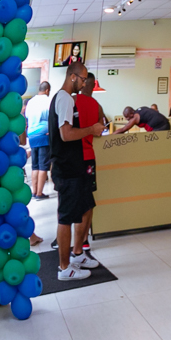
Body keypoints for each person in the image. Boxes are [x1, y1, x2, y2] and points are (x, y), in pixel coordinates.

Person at [49, 62, 105, 281]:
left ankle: (78, 254)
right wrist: (91, 129)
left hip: (77, 164)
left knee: (87, 207)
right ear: (73, 77)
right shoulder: (63, 98)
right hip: (66, 167)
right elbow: (65, 134)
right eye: (82, 79)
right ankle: (64, 268)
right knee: (66, 217)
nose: (84, 84)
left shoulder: (68, 100)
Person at [73, 72, 105, 253]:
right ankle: (83, 241)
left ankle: (70, 240)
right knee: (88, 202)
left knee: (72, 201)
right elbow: (99, 131)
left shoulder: (71, 101)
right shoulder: (96, 106)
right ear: (93, 86)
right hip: (88, 158)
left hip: (71, 158)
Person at [24, 81, 51, 201]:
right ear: (47, 90)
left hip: (32, 135)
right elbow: (52, 117)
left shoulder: (31, 102)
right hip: (43, 135)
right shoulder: (47, 100)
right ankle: (40, 193)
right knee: (43, 166)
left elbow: (27, 117)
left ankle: (34, 191)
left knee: (35, 166)